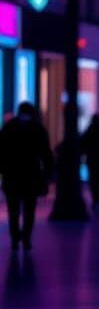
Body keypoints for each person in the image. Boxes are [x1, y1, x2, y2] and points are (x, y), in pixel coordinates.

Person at [0, 102, 53, 250]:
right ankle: (26, 237)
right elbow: (46, 154)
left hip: (12, 175)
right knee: (29, 209)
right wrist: (47, 174)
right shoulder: (38, 129)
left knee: (13, 209)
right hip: (31, 175)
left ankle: (15, 237)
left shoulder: (9, 128)